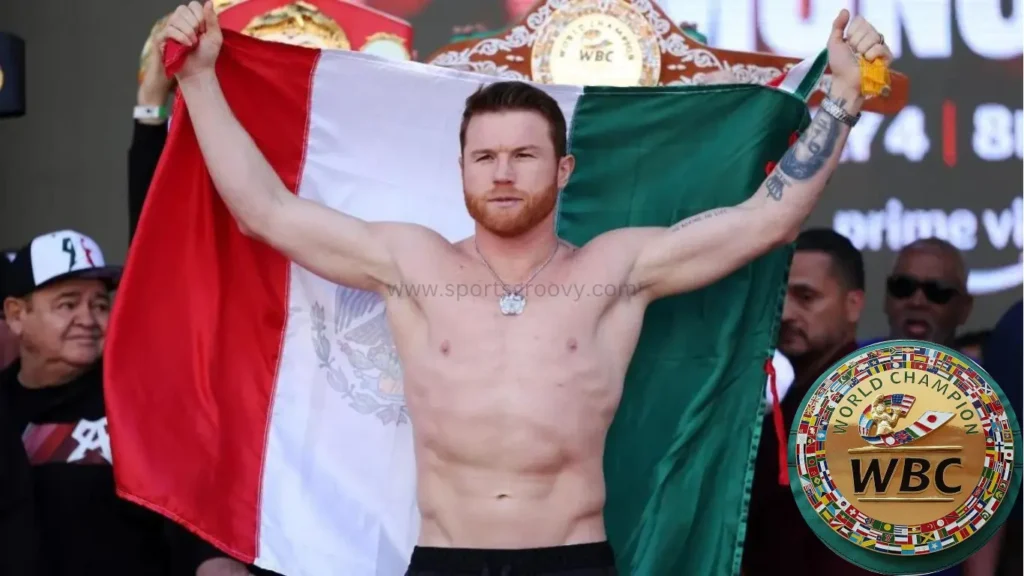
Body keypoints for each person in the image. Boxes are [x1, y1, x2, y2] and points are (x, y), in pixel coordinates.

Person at [159, 2, 891, 573]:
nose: (502, 173)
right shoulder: (410, 264)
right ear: (462, 170)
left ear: (563, 171)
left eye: (522, 156)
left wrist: (840, 104)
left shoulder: (616, 270)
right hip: (443, 558)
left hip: (572, 559)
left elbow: (767, 219)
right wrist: (197, 78)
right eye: (484, 157)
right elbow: (264, 210)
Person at [0, 229, 246, 576]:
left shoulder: (139, 400)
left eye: (100, 305)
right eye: (68, 304)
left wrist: (211, 559)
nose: (87, 319)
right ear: (16, 315)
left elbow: (192, 507)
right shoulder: (5, 407)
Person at [744, 229, 871, 575]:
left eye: (806, 297)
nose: (785, 313)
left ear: (853, 304)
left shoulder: (870, 408)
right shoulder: (770, 398)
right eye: (780, 295)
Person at [883, 238, 973, 347]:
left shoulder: (977, 365)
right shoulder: (857, 361)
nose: (917, 302)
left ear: (964, 309)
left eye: (936, 291)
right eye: (903, 287)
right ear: (887, 299)